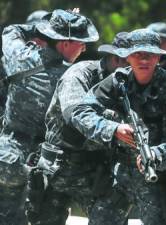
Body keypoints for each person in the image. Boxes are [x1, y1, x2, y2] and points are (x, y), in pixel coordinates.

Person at [71, 28, 166, 225]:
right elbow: (80, 113)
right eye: (137, 55)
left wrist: (157, 155)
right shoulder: (117, 81)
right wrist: (113, 130)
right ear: (128, 57)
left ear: (158, 58)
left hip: (156, 175)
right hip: (118, 172)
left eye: (149, 55)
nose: (143, 60)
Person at [0, 9, 98, 225]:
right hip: (47, 167)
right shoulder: (74, 78)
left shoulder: (20, 56)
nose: (85, 47)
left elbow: (11, 30)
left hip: (8, 158)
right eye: (80, 41)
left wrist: (50, 23)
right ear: (64, 43)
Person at [26, 31, 135, 225]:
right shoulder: (80, 74)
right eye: (129, 63)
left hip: (97, 170)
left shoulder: (132, 83)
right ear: (117, 59)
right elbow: (75, 114)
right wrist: (114, 128)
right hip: (59, 167)